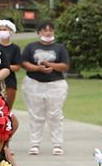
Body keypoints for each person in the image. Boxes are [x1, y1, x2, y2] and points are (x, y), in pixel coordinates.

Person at [19, 21, 70, 156]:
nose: (48, 33)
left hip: (55, 84)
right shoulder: (31, 47)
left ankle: (57, 144)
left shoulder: (59, 48)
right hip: (34, 83)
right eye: (45, 30)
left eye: (50, 30)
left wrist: (50, 65)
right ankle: (34, 143)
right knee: (36, 115)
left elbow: (65, 65)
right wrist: (38, 68)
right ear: (39, 32)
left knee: (55, 115)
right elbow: (24, 63)